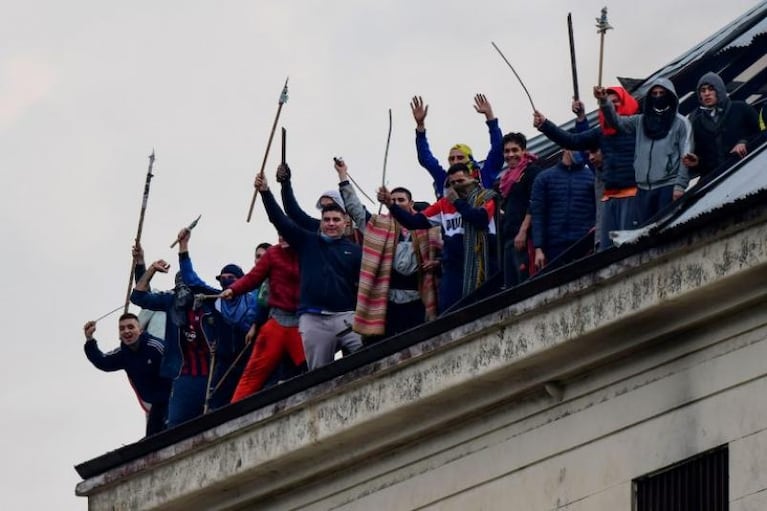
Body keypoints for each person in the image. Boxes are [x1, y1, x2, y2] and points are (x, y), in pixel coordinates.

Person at [254, 172, 363, 370]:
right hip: (314, 319)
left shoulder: (355, 251)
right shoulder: (307, 241)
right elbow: (281, 219)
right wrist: (266, 192)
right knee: (319, 376)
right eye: (327, 219)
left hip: (346, 317)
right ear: (320, 222)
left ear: (345, 222)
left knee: (367, 358)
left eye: (336, 219)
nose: (331, 223)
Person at [335, 159, 441, 338]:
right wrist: (343, 176)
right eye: (393, 200)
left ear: (411, 202)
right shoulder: (380, 225)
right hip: (388, 299)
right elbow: (356, 211)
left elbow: (448, 252)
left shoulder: (428, 227)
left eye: (401, 200)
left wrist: (437, 262)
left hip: (418, 297)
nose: (397, 203)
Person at [380, 163, 498, 313]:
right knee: (450, 312)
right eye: (452, 183)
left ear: (471, 179)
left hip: (483, 264)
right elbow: (414, 222)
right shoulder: (443, 205)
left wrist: (458, 202)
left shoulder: (485, 197)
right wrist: (391, 205)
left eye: (460, 181)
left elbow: (479, 220)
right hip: (454, 269)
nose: (456, 186)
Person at [534, 86, 640, 250]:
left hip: (634, 197)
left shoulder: (638, 127)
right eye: (607, 103)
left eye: (616, 102)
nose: (612, 107)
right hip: (610, 199)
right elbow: (572, 141)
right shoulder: (601, 133)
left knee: (632, 247)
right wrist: (545, 125)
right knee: (607, 254)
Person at [175, 228, 259, 406]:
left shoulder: (253, 299)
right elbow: (192, 280)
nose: (226, 281)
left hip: (250, 356)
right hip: (225, 360)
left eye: (231, 277)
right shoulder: (216, 300)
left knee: (253, 397)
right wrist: (183, 245)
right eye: (223, 278)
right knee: (216, 401)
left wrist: (255, 326)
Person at [221, 235, 306, 401]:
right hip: (275, 322)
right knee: (252, 376)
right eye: (280, 233)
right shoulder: (273, 256)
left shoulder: (305, 251)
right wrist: (234, 289)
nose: (283, 236)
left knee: (311, 367)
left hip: (301, 322)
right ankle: (235, 410)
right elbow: (252, 279)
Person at [597, 79, 692, 225]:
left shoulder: (681, 123)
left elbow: (686, 156)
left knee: (666, 232)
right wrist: (604, 102)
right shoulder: (641, 121)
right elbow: (617, 122)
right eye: (654, 93)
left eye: (662, 93)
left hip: (667, 187)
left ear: (670, 95)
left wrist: (680, 186)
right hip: (642, 189)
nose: (658, 96)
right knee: (645, 236)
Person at [83, 313, 171, 436]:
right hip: (156, 403)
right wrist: (89, 339)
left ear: (140, 330)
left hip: (172, 397)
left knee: (171, 429)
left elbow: (177, 362)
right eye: (122, 328)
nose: (126, 331)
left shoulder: (155, 347)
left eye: (130, 327)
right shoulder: (123, 354)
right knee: (152, 440)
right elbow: (102, 361)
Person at [411, 94, 504, 198]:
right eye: (451, 159)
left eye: (460, 157)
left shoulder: (482, 176)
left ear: (470, 159)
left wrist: (490, 117)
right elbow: (425, 159)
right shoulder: (445, 180)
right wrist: (420, 126)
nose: (455, 161)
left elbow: (498, 150)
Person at [683, 72, 760, 178]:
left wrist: (744, 142)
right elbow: (706, 163)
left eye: (711, 89)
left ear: (719, 90)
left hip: (747, 171)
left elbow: (762, 133)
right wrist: (697, 163)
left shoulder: (741, 108)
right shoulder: (697, 123)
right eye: (703, 90)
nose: (706, 93)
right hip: (718, 181)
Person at [531, 150, 595, 270]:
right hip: (554, 249)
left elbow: (600, 210)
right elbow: (538, 215)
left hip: (585, 246)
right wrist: (538, 248)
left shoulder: (592, 176)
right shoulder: (544, 178)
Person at [496, 132, 543, 287]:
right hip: (509, 241)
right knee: (511, 289)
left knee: (526, 286)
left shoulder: (531, 172)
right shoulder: (505, 180)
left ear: (523, 151)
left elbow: (535, 203)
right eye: (507, 151)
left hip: (525, 239)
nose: (511, 155)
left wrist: (523, 231)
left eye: (515, 150)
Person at [275, 163, 362, 243]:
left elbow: (354, 205)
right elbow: (293, 212)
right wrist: (285, 184)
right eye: (323, 207)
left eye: (330, 205)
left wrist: (342, 175)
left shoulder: (360, 231)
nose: (326, 209)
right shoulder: (318, 228)